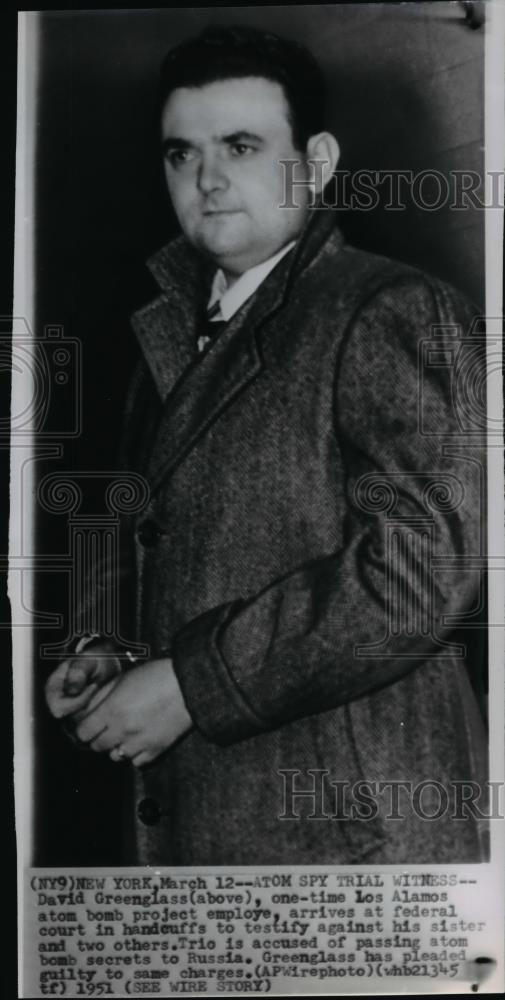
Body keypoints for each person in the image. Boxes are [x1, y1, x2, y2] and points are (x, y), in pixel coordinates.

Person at [45, 24, 488, 865]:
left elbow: (422, 568)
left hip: (346, 834)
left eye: (241, 145)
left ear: (315, 163)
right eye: (181, 154)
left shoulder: (387, 307)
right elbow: (146, 528)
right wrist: (107, 647)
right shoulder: (171, 327)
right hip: (207, 817)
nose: (207, 181)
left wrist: (189, 683)